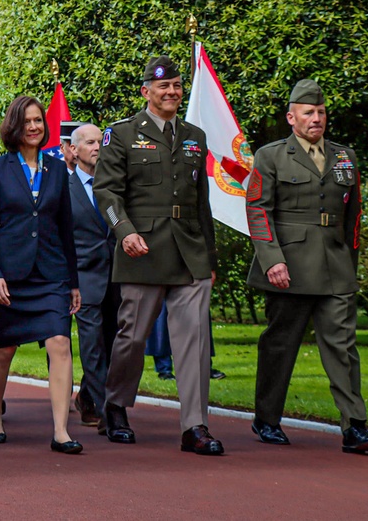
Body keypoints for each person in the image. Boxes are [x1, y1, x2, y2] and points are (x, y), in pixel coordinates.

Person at [93, 55, 223, 456]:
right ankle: (115, 406)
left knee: (194, 340)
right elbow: (107, 192)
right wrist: (124, 231)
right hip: (143, 249)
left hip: (189, 252)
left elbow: (202, 202)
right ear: (145, 91)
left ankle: (194, 425)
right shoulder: (123, 134)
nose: (171, 93)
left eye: (177, 86)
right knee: (131, 337)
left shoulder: (194, 136)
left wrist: (211, 260)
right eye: (163, 87)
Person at [247, 79, 368, 454]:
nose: (316, 118)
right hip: (288, 265)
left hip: (335, 265)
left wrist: (349, 263)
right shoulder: (271, 155)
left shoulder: (344, 156)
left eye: (321, 112)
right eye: (308, 112)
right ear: (292, 117)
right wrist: (271, 259)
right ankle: (267, 418)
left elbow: (353, 215)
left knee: (342, 346)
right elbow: (258, 210)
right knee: (281, 344)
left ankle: (355, 424)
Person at [0, 96, 83, 454]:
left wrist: (73, 281)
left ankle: (60, 431)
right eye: (28, 122)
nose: (35, 127)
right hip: (10, 274)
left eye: (39, 120)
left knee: (60, 344)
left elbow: (66, 226)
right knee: (4, 349)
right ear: (14, 127)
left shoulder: (56, 169)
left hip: (51, 272)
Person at [67, 123, 121, 430]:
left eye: (101, 141)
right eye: (89, 142)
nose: (98, 146)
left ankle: (86, 396)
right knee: (92, 346)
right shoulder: (64, 189)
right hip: (84, 280)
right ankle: (107, 412)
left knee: (115, 345)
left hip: (117, 275)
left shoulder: (115, 187)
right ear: (74, 150)